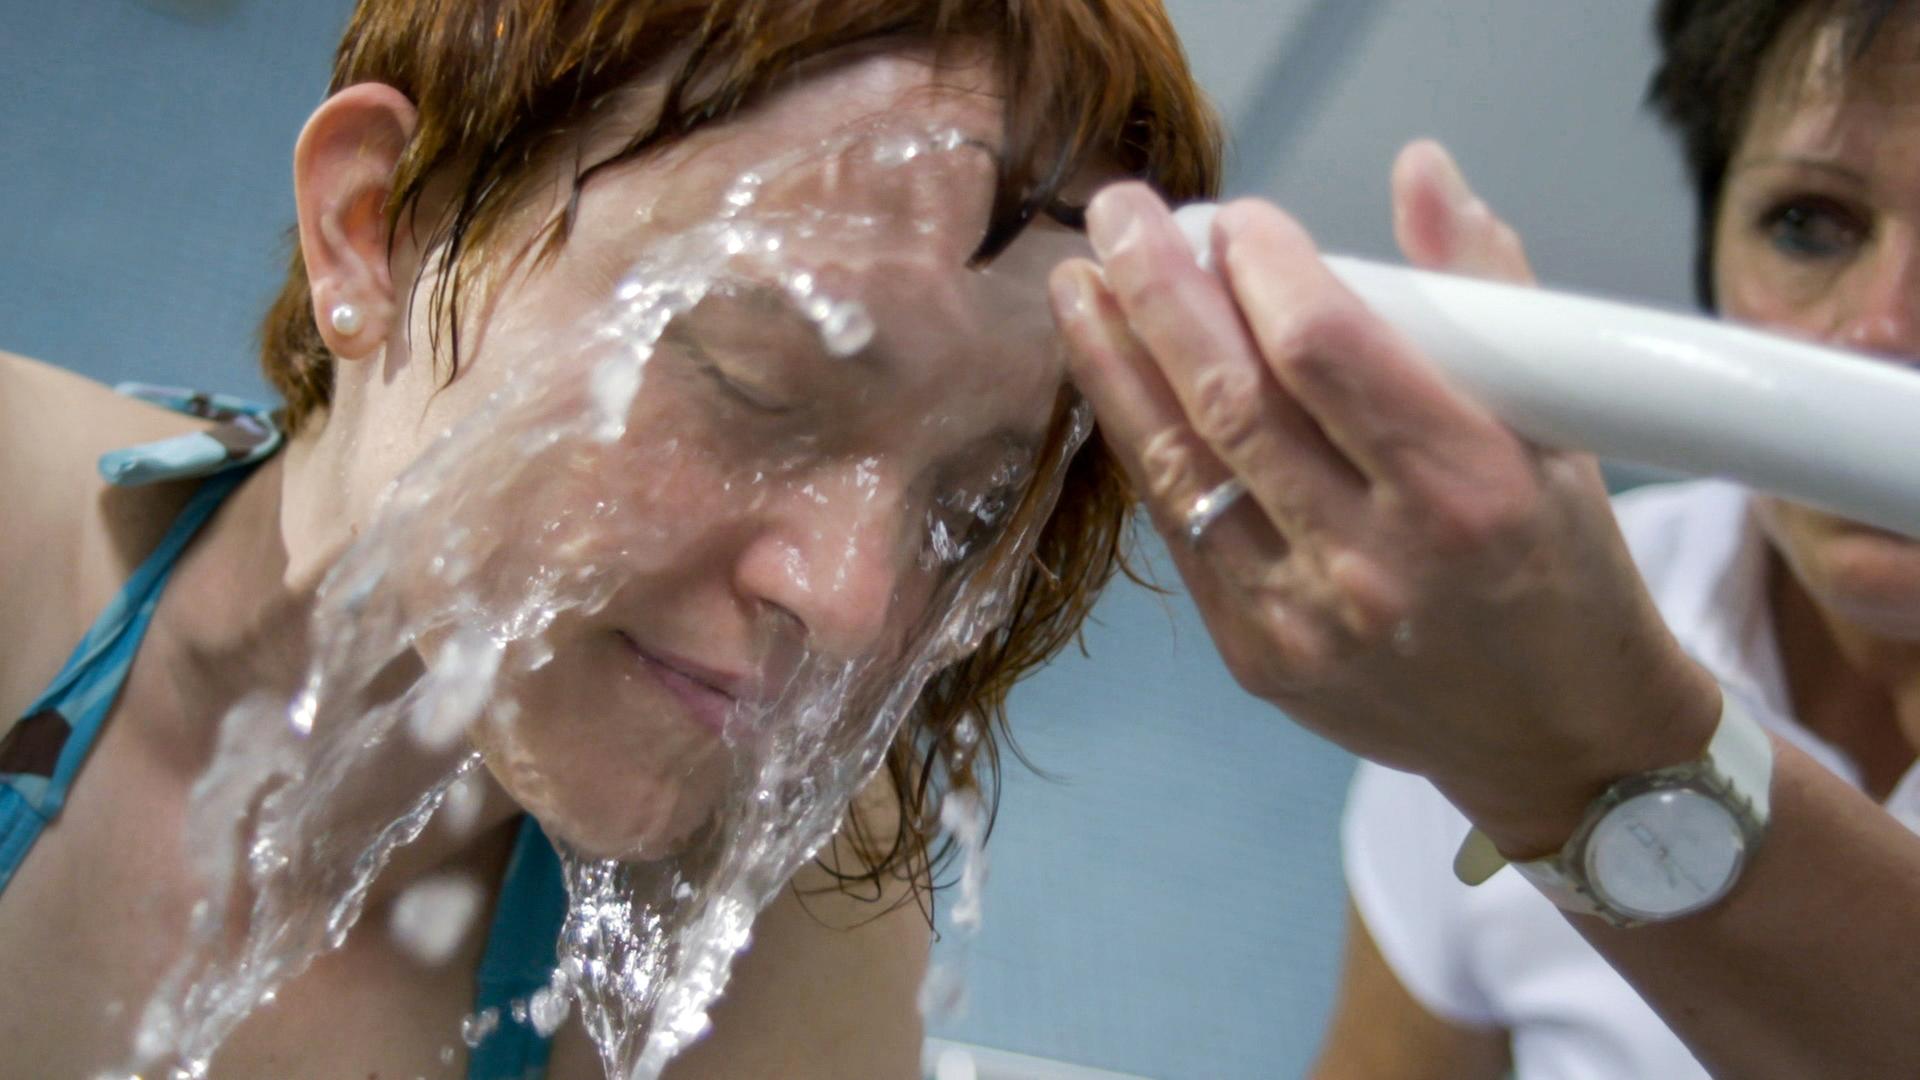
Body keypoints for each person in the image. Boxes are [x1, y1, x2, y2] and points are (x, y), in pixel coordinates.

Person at [0, 2, 1222, 1077]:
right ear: (373, 225)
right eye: (756, 386)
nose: (855, 600)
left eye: (967, 500)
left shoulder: (790, 951)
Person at [1049, 1, 1920, 1077]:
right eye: (1809, 222)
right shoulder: (1502, 593)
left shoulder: (1525, 623)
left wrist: (1583, 744)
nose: (1883, 330)